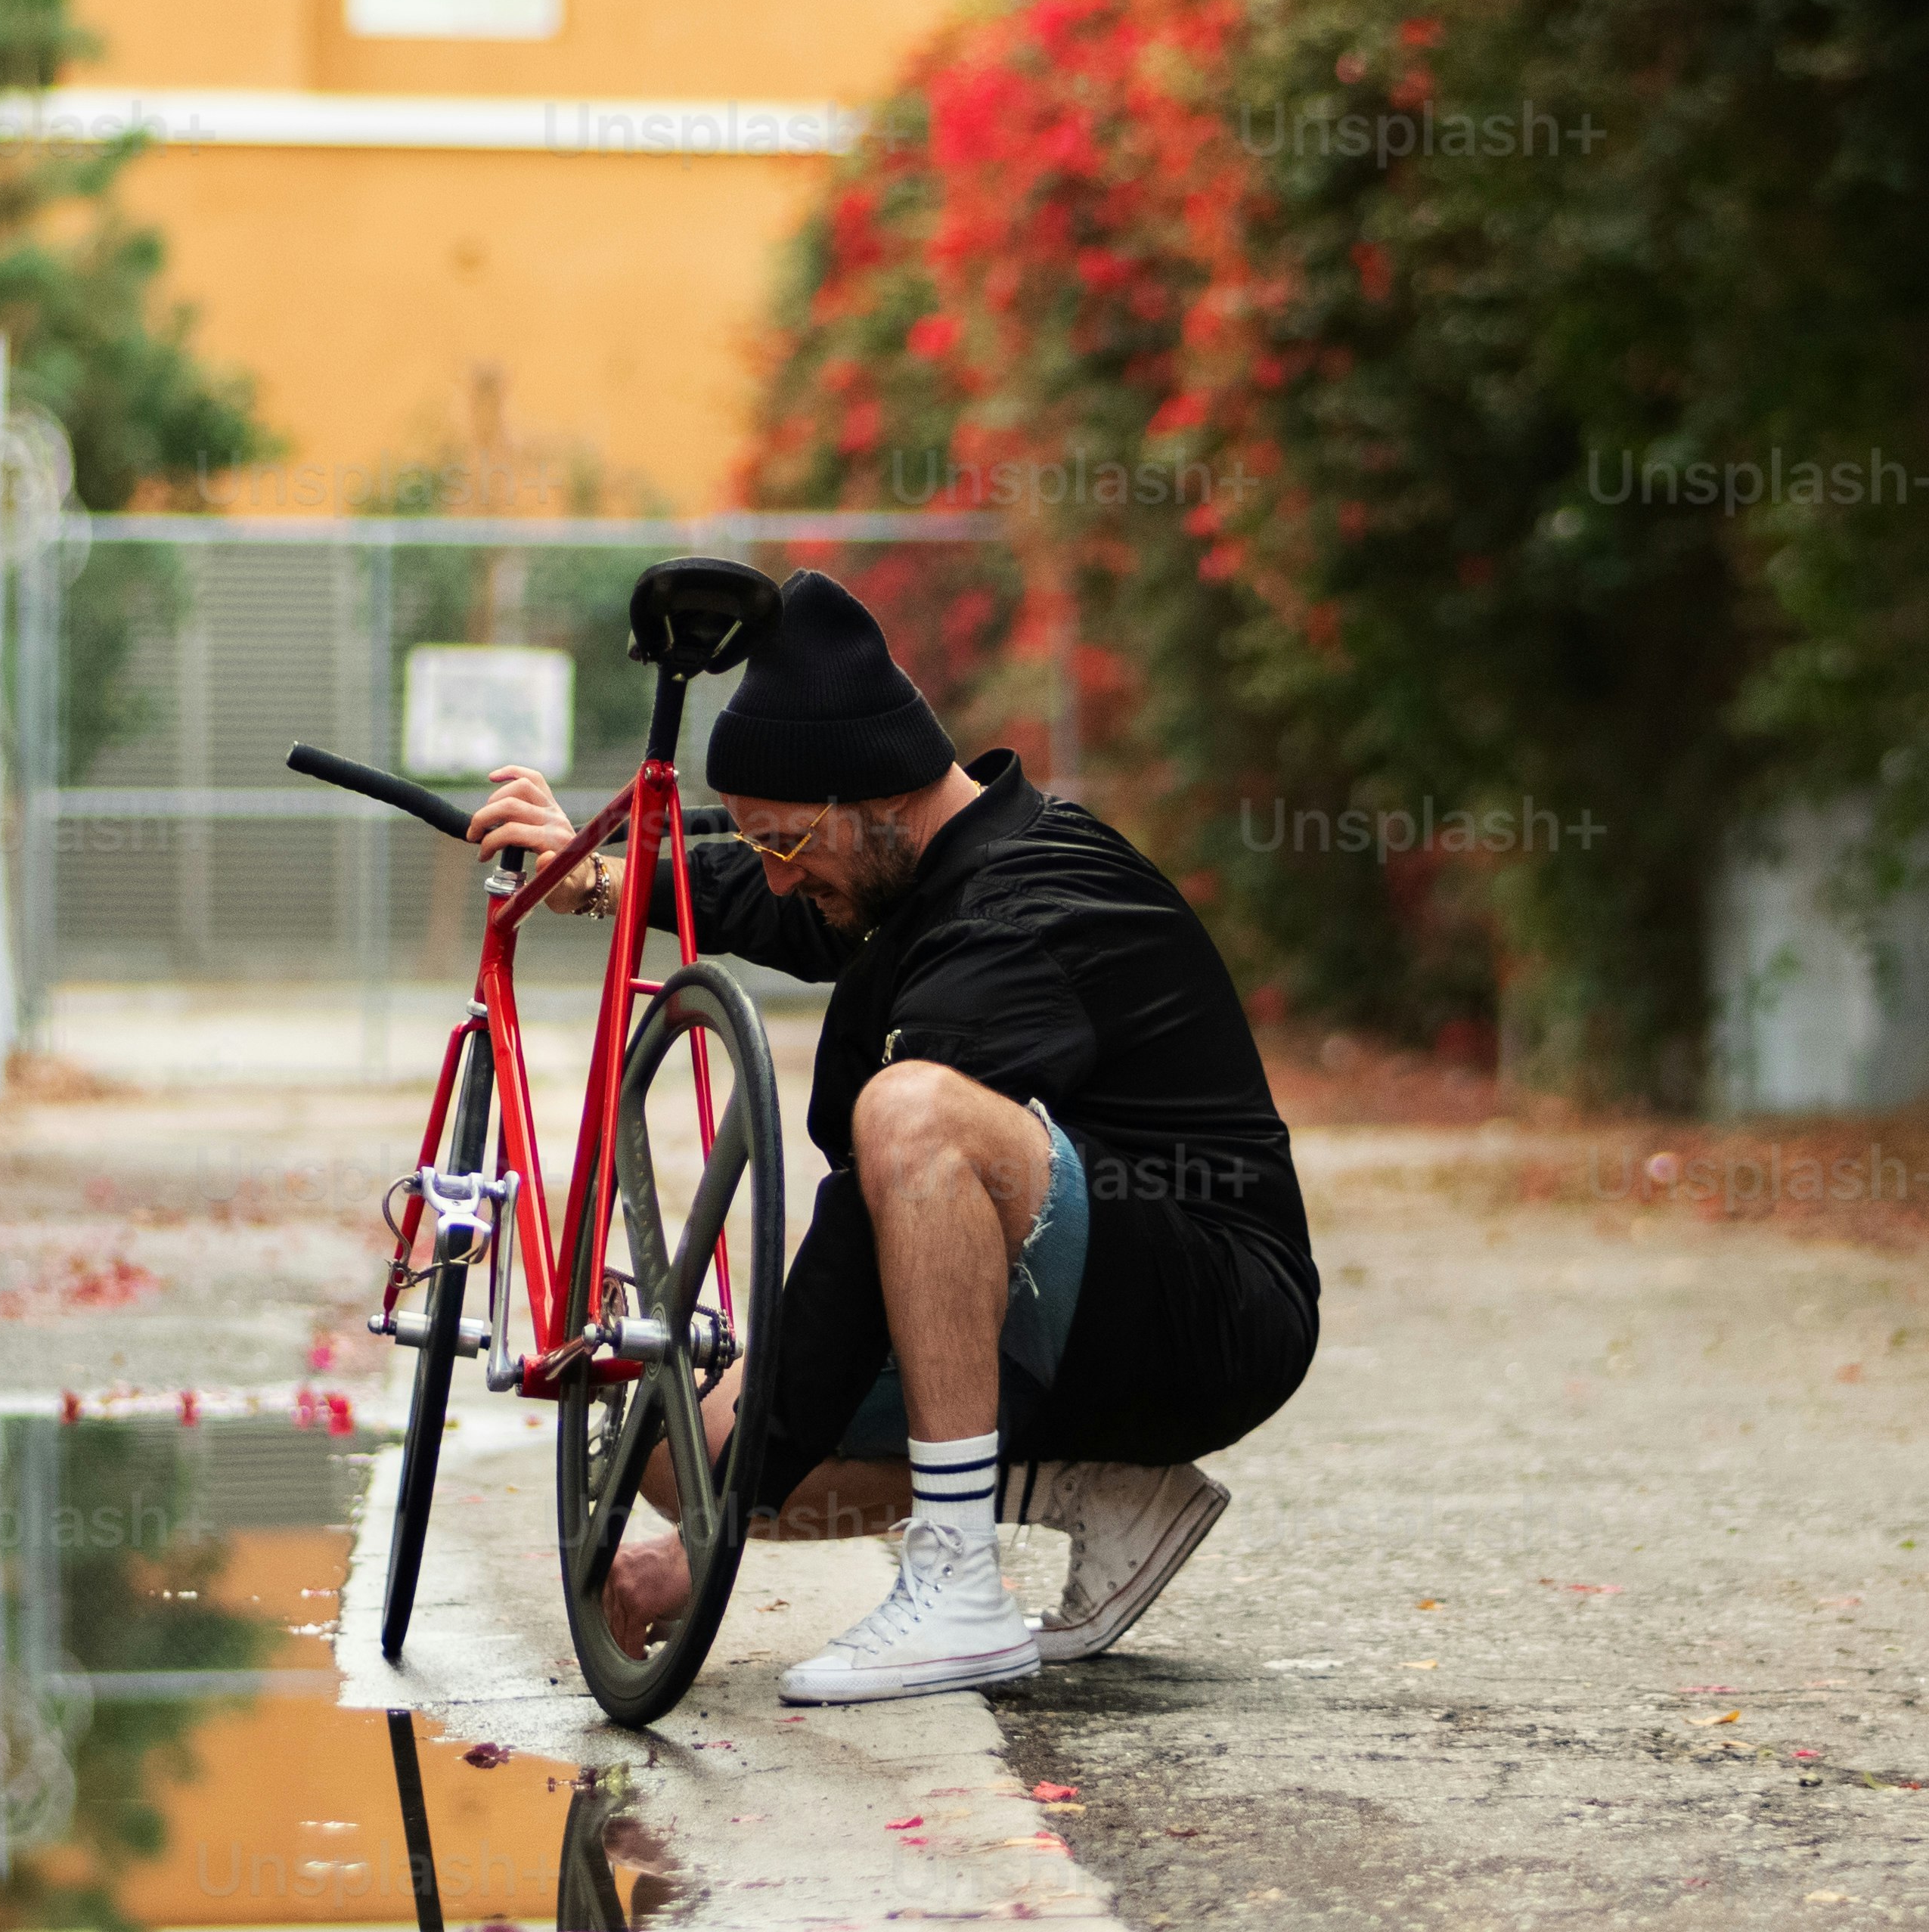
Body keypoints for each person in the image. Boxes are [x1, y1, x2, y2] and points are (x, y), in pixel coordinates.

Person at [464, 569, 1317, 1704]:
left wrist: (715, 1541)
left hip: (1212, 1314)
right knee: (675, 1448)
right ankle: (1096, 1491)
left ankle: (958, 1589)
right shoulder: (902, 865)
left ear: (872, 800)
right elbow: (782, 899)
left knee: (911, 1115)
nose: (775, 872)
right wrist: (606, 876)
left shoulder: (1033, 901)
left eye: (785, 843)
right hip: (1063, 1309)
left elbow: (871, 1213)